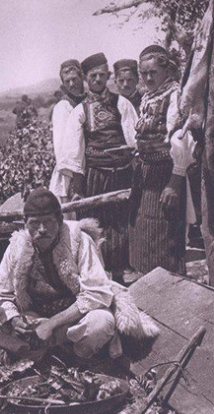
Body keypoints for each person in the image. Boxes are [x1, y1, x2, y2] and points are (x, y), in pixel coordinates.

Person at [0, 188, 158, 361]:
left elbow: (98, 293)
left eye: (48, 222)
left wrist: (52, 324)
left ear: (60, 220)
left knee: (102, 322)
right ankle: (45, 355)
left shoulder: (78, 240)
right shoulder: (17, 246)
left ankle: (77, 358)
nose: (42, 229)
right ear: (25, 223)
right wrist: (17, 320)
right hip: (36, 319)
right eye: (34, 223)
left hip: (74, 318)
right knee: (4, 334)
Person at [59, 53, 138, 281]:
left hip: (121, 173)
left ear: (108, 76)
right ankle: (97, 276)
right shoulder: (81, 110)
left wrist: (129, 153)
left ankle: (120, 274)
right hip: (95, 176)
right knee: (95, 225)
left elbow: (133, 136)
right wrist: (77, 186)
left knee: (120, 224)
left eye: (102, 75)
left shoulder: (121, 103)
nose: (97, 80)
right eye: (93, 76)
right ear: (85, 78)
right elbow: (74, 152)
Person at [129, 45, 194, 275]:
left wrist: (174, 183)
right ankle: (149, 291)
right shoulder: (148, 97)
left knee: (165, 237)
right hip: (147, 175)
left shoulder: (174, 96)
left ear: (166, 70)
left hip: (166, 175)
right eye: (143, 73)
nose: (147, 77)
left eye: (153, 72)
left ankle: (169, 292)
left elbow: (180, 138)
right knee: (145, 233)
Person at [49, 59, 87, 210]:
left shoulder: (87, 101)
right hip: (69, 175)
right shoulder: (63, 107)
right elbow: (63, 149)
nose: (72, 84)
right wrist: (76, 180)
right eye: (67, 81)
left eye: (74, 79)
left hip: (87, 171)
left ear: (82, 77)